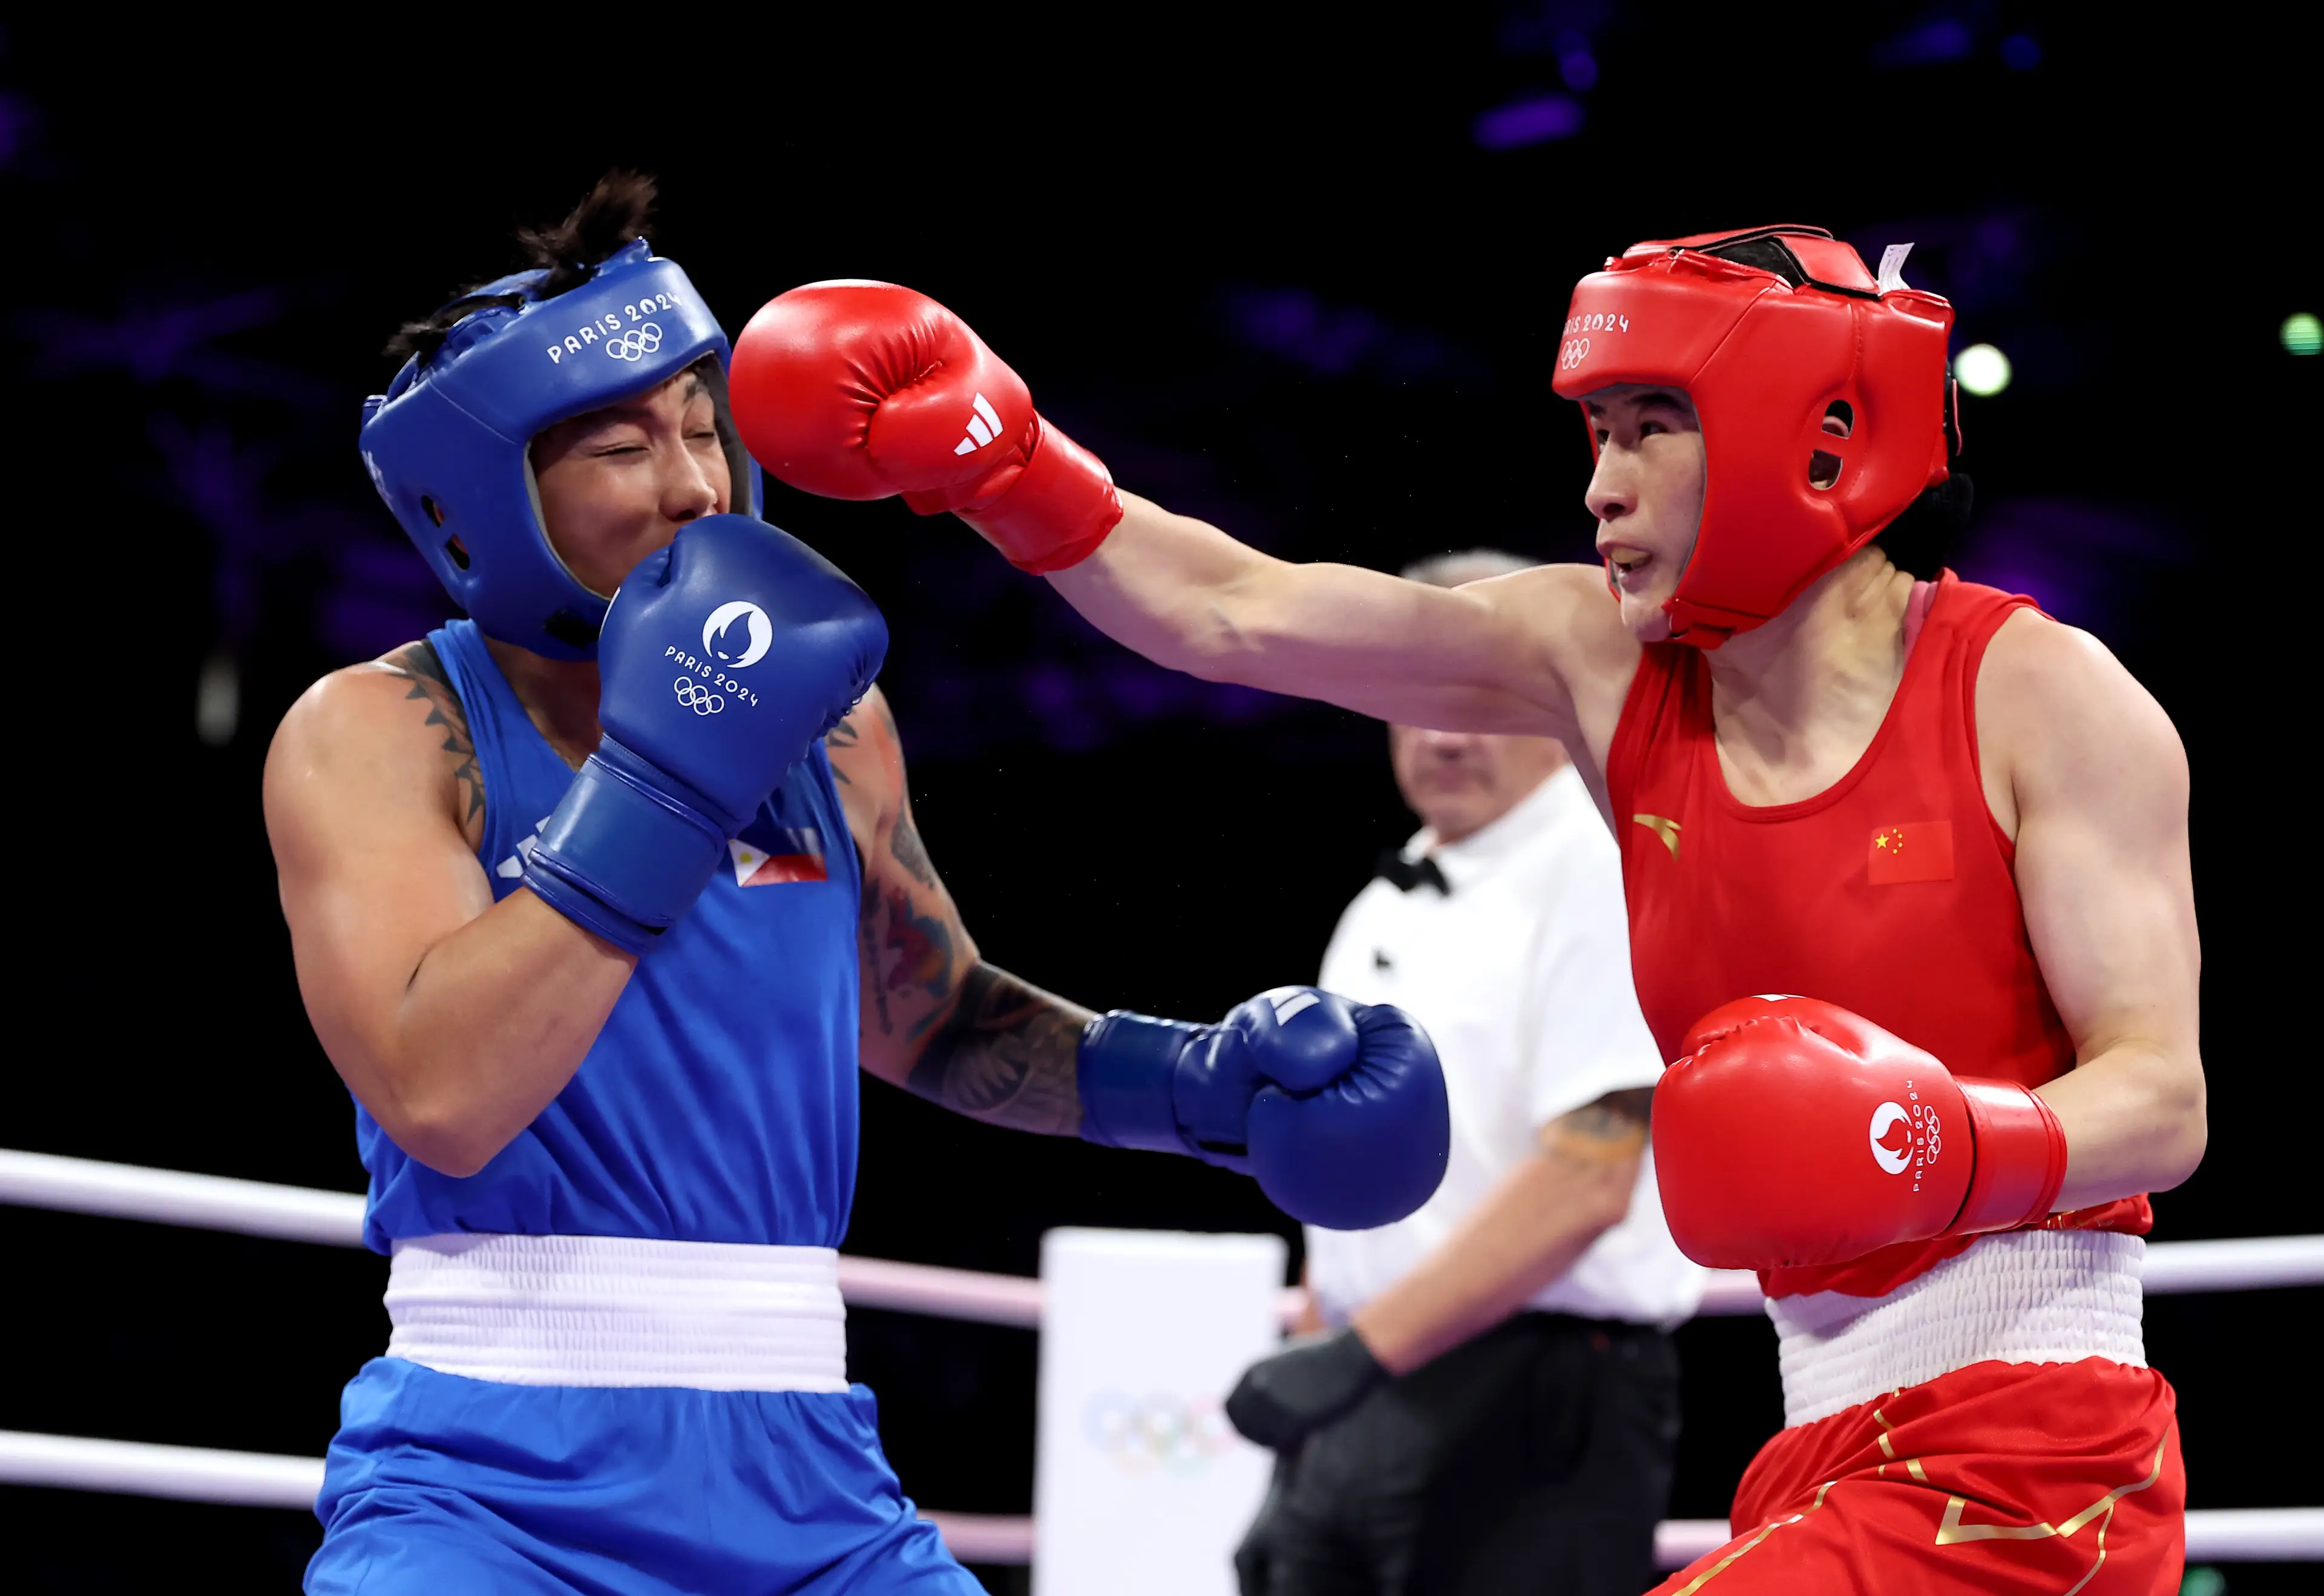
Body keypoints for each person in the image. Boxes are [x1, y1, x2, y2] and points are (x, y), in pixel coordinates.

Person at [734, 225, 2204, 1594]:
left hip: (2038, 1446)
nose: (1599, 487)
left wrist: (1932, 1137)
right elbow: (1233, 612)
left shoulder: (2041, 692)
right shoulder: (1599, 664)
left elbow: (2163, 1095)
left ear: (1808, 434)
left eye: (1650, 429)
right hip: (1817, 1428)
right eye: (1598, 434)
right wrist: (1008, 465)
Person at [264, 172, 1451, 1595]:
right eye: (622, 446)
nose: (696, 484)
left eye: (704, 427)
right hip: (490, 1477)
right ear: (482, 501)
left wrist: (1191, 1087)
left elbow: (931, 1015)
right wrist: (665, 782)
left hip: (809, 1475)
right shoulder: (381, 729)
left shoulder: (830, 723)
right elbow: (444, 1096)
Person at [1223, 550, 1701, 1596]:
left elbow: (1589, 1177)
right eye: (1417, 697)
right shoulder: (1378, 906)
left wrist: (1353, 1362)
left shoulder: (1605, 866)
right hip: (1361, 1389)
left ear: (1542, 688)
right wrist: (1301, 1442)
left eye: (1472, 700)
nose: (1440, 734)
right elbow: (1337, 1193)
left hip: (1535, 1391)